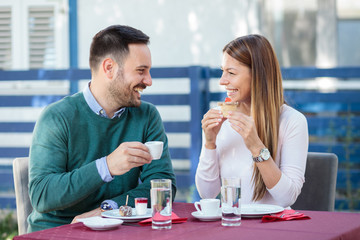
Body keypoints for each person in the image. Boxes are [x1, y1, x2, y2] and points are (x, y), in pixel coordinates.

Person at [28, 25, 177, 232]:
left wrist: (108, 210)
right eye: (141, 71)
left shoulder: (147, 116)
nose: (149, 81)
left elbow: (162, 184)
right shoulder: (57, 117)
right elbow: (42, 195)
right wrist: (106, 167)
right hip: (59, 232)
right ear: (109, 68)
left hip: (119, 231)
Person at [195, 34, 308, 208]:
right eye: (222, 71)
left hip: (273, 228)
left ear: (258, 75)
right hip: (231, 222)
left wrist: (256, 147)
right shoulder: (220, 118)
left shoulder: (292, 121)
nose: (222, 81)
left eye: (231, 73)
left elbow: (287, 198)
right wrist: (210, 143)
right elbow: (207, 193)